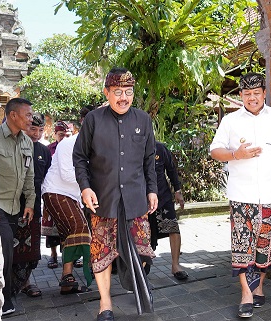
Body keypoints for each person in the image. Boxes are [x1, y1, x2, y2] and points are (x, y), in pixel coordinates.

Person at [209, 72, 271, 319]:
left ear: (264, 94)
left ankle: (258, 286)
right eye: (247, 94)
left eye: (256, 93)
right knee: (242, 247)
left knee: (266, 246)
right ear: (241, 95)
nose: (252, 98)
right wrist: (235, 155)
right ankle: (246, 294)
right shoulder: (230, 121)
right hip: (242, 196)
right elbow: (215, 151)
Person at [73, 67, 158, 321]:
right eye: (118, 92)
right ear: (107, 93)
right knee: (101, 252)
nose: (124, 97)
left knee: (142, 249)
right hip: (104, 199)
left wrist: (152, 190)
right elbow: (80, 157)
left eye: (128, 92)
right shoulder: (93, 120)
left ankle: (139, 284)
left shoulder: (143, 120)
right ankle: (105, 303)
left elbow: (148, 161)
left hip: (135, 199)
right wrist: (85, 187)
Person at [40, 106, 95, 295]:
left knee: (70, 235)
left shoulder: (96, 147)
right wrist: (92, 184)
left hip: (72, 197)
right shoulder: (68, 144)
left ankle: (67, 279)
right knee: (80, 230)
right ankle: (76, 274)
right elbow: (66, 175)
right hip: (55, 191)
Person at [0, 98, 35, 315]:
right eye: (27, 115)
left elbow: (29, 177)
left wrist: (29, 203)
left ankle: (4, 296)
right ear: (13, 115)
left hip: (15, 208)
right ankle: (3, 301)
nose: (31, 119)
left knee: (10, 253)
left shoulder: (27, 142)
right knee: (6, 250)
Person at [12, 112, 52, 298]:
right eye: (32, 129)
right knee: (11, 245)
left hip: (34, 206)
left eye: (40, 130)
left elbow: (47, 179)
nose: (36, 134)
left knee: (31, 248)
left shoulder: (44, 152)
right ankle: (10, 284)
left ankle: (26, 282)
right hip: (12, 205)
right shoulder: (15, 145)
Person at [149, 141, 188, 280]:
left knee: (173, 228)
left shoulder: (160, 148)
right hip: (142, 200)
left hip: (163, 197)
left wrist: (178, 191)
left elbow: (171, 169)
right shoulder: (132, 147)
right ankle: (143, 263)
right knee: (145, 234)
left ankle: (175, 265)